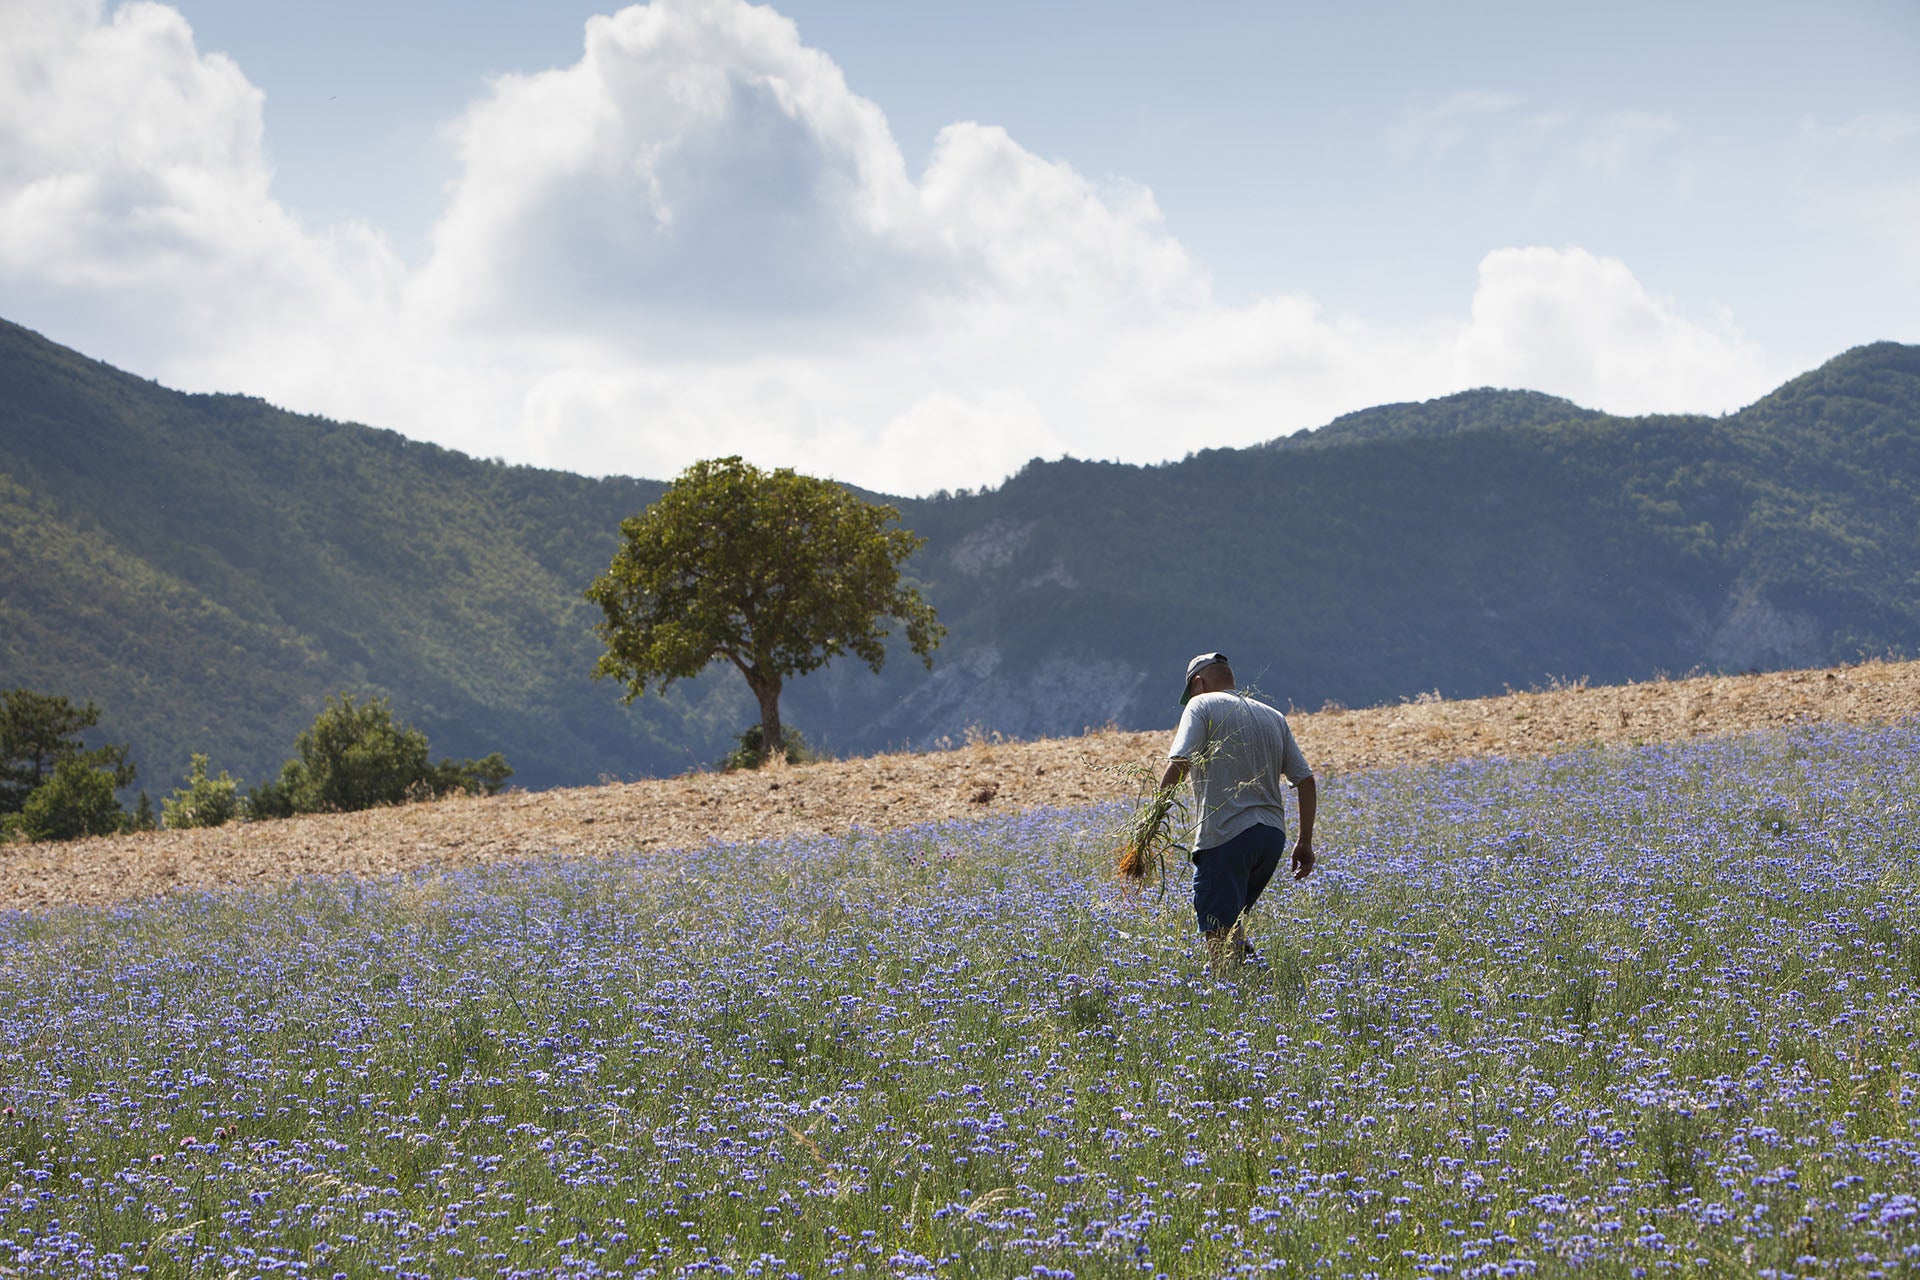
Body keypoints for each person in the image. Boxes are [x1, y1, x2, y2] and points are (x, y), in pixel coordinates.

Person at [1159, 652, 1317, 975]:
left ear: (1198, 683)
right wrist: (1305, 842)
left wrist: (1151, 819)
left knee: (1217, 928)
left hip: (1225, 835)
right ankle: (1261, 980)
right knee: (1231, 922)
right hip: (1271, 839)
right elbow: (1306, 779)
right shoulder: (1273, 716)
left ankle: (1228, 996)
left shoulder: (1200, 706)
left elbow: (1180, 763)